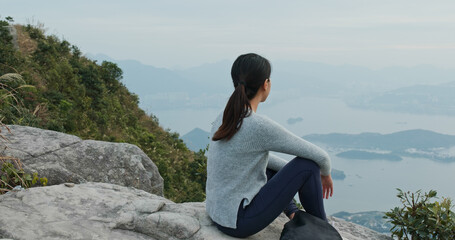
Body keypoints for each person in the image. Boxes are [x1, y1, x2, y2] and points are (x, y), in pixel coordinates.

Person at [205, 53, 334, 238]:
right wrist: (325, 173)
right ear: (266, 84)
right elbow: (319, 156)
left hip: (219, 212)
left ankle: (293, 213)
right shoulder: (257, 125)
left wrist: (290, 175)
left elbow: (253, 159)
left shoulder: (226, 116)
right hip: (239, 222)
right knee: (308, 165)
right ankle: (323, 232)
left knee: (270, 168)